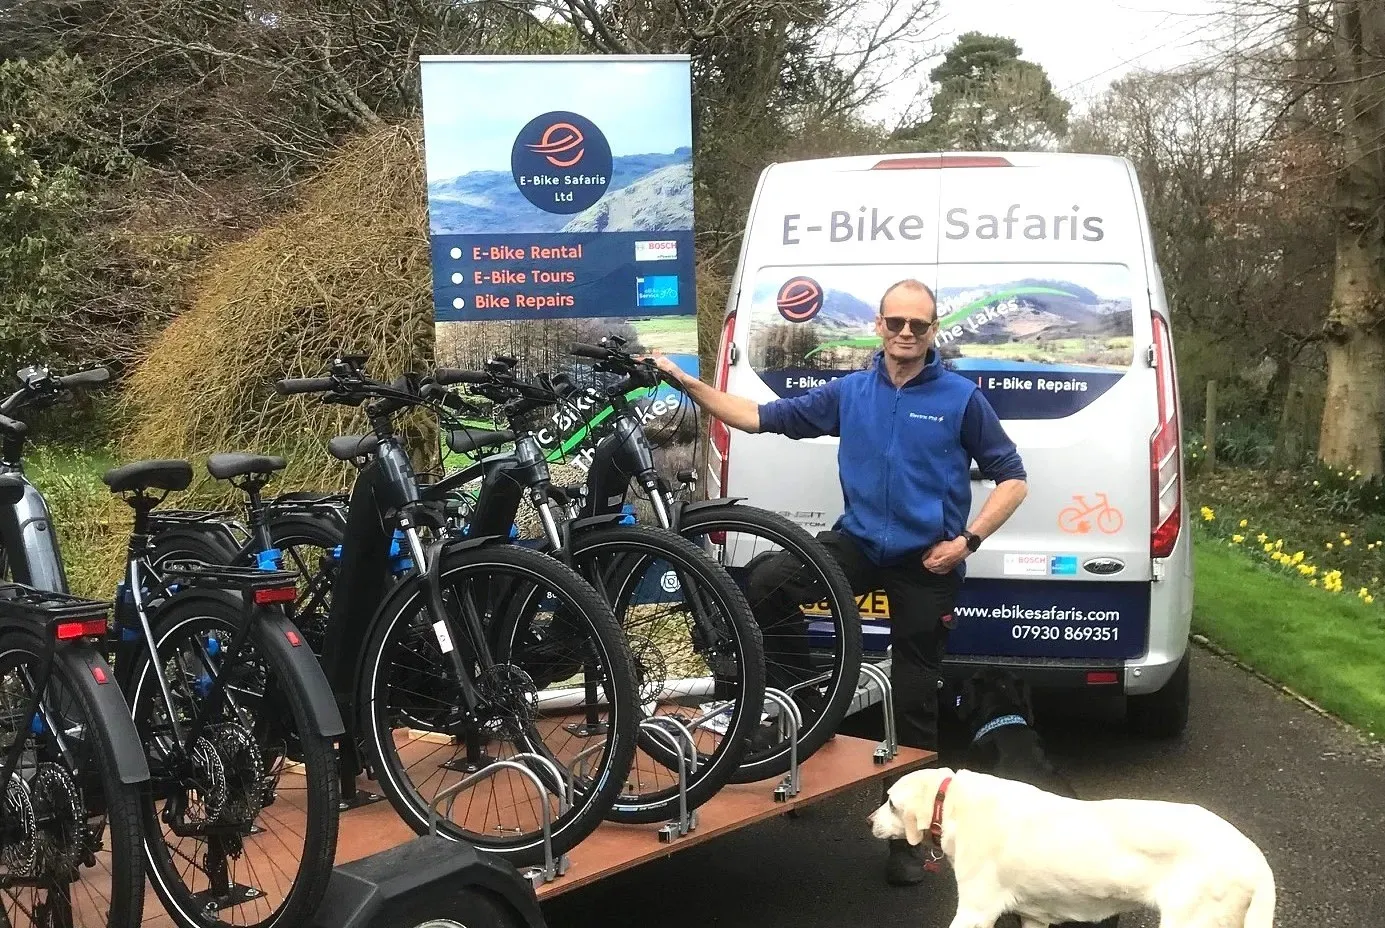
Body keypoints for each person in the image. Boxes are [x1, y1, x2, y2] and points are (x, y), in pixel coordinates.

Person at [651, 277, 1029, 887]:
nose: (906, 333)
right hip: (857, 542)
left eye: (919, 325)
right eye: (896, 323)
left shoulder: (960, 398)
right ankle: (804, 705)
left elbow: (1012, 478)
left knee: (912, 699)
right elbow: (754, 416)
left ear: (933, 332)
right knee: (767, 583)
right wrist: (687, 384)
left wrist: (968, 540)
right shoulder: (851, 391)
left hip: (926, 562)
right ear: (878, 326)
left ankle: (912, 841)